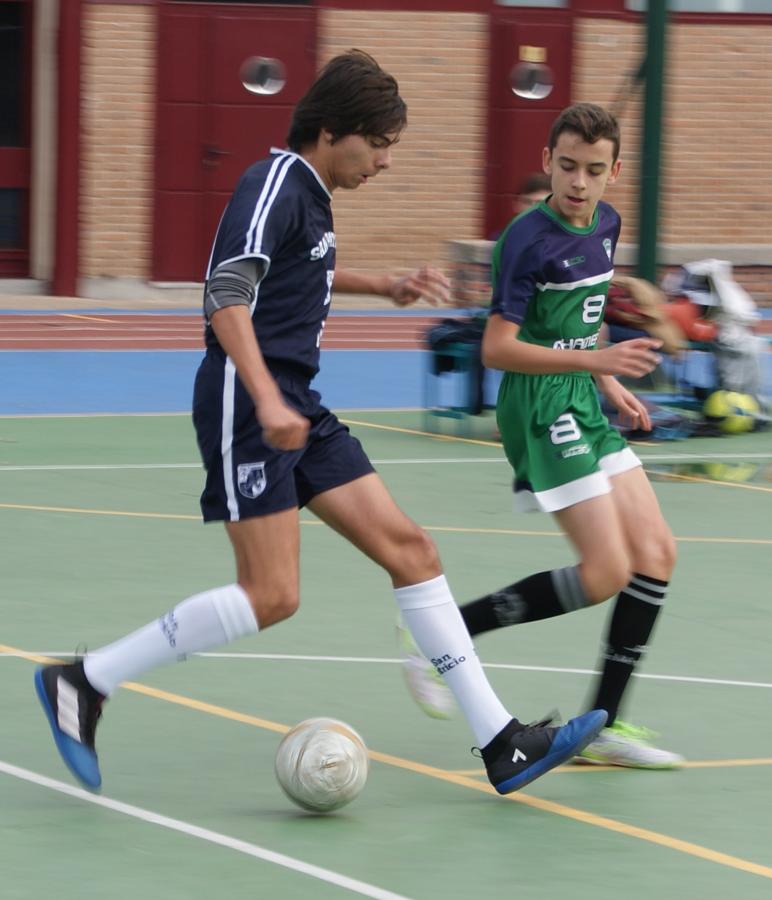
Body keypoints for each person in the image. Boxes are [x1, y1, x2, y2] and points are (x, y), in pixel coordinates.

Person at [34, 51, 606, 797]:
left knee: (412, 550)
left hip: (296, 402)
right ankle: (84, 682)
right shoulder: (274, 181)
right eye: (381, 145)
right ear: (335, 131)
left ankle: (502, 743)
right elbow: (227, 291)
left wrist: (382, 284)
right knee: (271, 594)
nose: (386, 163)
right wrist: (267, 398)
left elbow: (295, 271)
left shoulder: (308, 195)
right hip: (253, 403)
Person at [404, 102, 683, 769]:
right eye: (566, 167)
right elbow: (498, 350)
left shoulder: (606, 225)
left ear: (615, 171)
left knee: (657, 554)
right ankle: (443, 638)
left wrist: (607, 379)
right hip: (536, 403)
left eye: (593, 170)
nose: (579, 183)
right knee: (604, 572)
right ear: (546, 163)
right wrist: (597, 365)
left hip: (581, 391)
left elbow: (580, 317)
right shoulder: (526, 240)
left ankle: (607, 728)